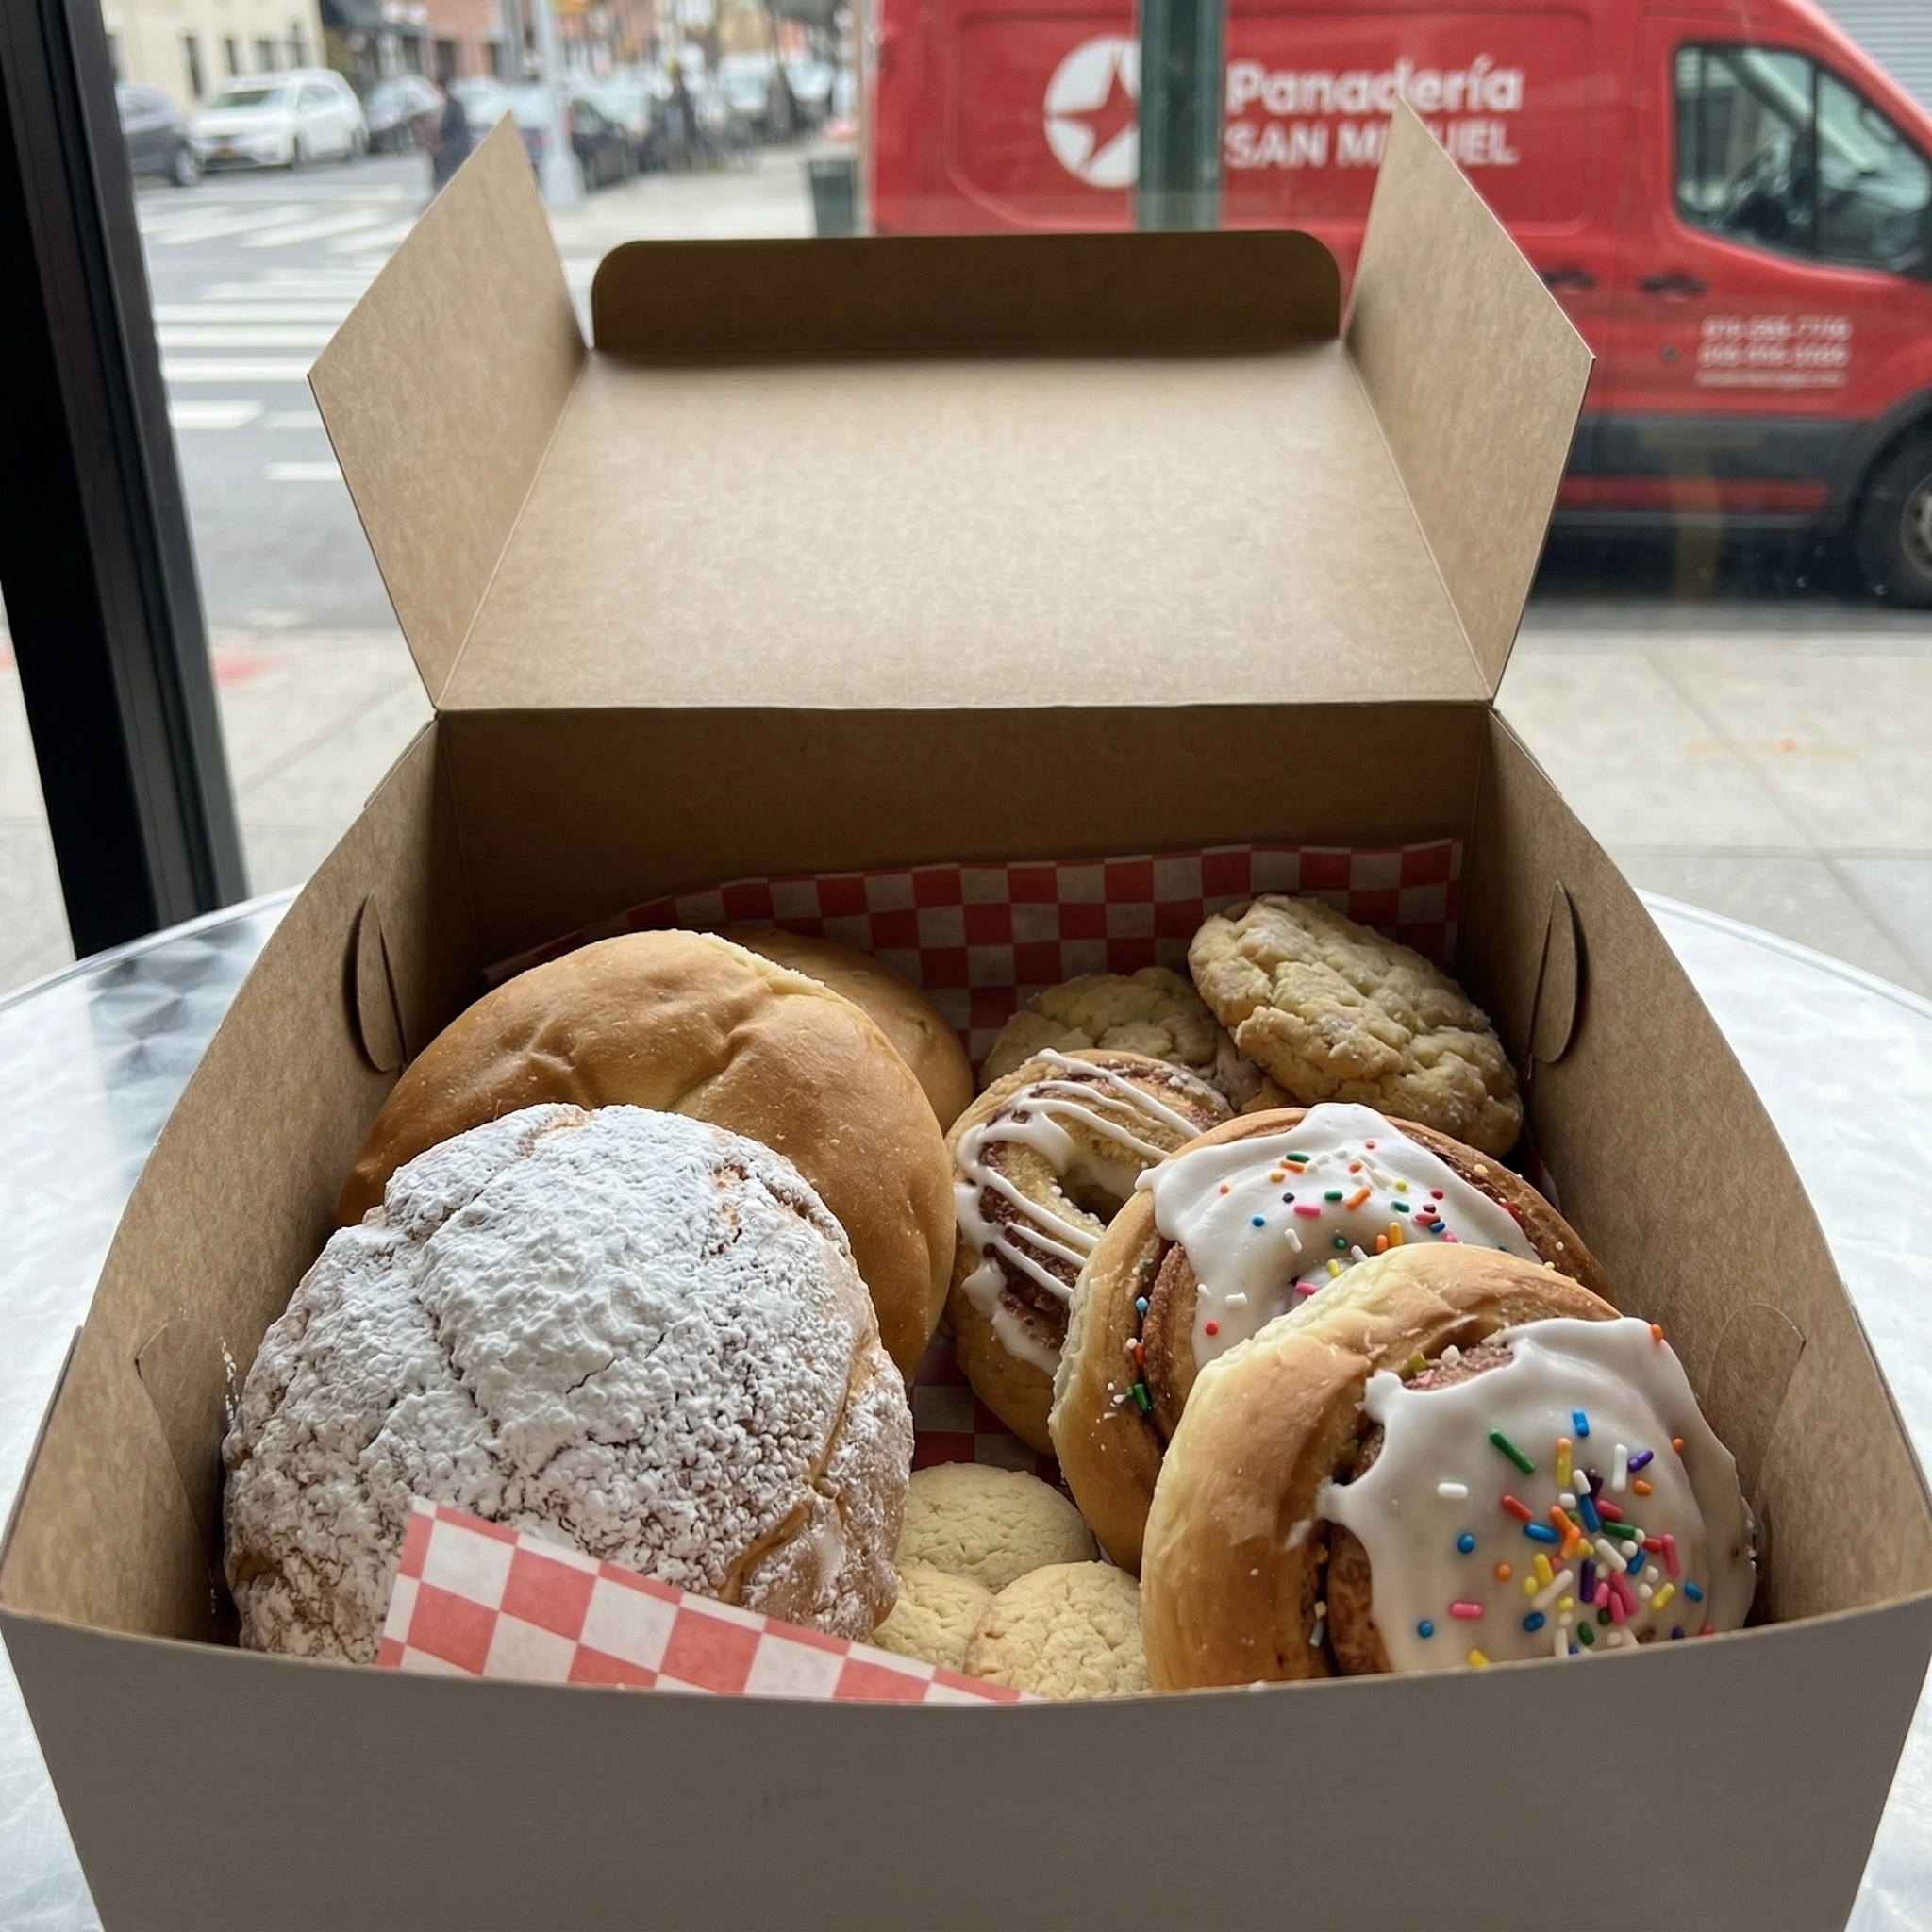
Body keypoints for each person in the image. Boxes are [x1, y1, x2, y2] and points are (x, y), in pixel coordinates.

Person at [424, 81, 472, 192]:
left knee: (445, 160)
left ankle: (444, 184)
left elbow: (448, 125)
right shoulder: (444, 104)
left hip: (456, 144)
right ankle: (441, 183)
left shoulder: (453, 105)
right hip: (450, 143)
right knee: (437, 155)